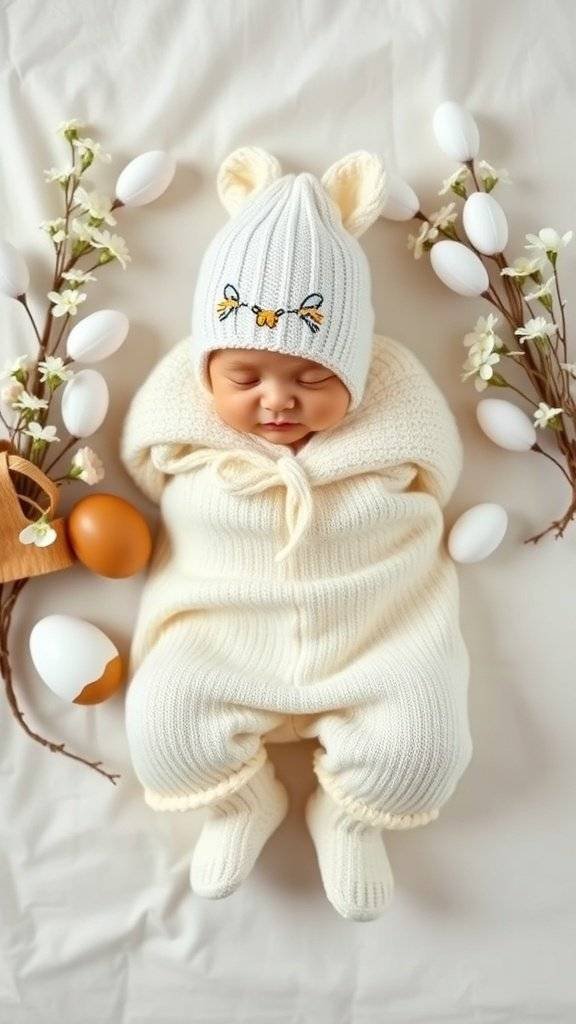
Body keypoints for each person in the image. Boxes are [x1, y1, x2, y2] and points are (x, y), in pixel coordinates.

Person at [119, 146, 473, 921]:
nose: (277, 401)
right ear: (205, 371)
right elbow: (146, 468)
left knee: (424, 744)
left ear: (357, 373)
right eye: (244, 379)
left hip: (374, 636)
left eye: (313, 380)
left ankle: (347, 818)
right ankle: (240, 803)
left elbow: (437, 479)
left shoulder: (394, 420)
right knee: (162, 723)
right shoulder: (186, 432)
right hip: (221, 638)